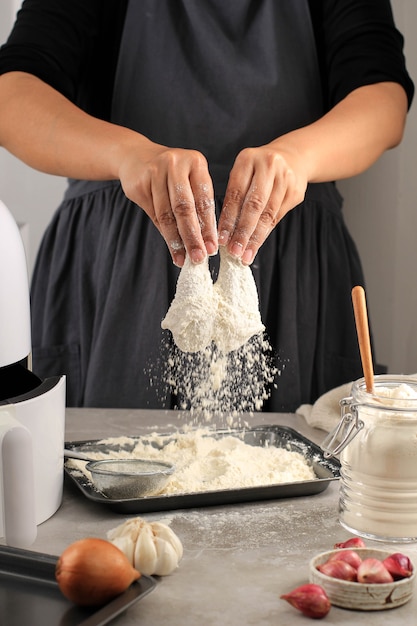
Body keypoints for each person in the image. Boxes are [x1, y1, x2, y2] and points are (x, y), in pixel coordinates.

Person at [0, 0, 413, 411]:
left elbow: (382, 97)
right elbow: (11, 96)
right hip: (116, 273)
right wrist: (128, 155)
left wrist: (299, 157)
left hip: (294, 273)